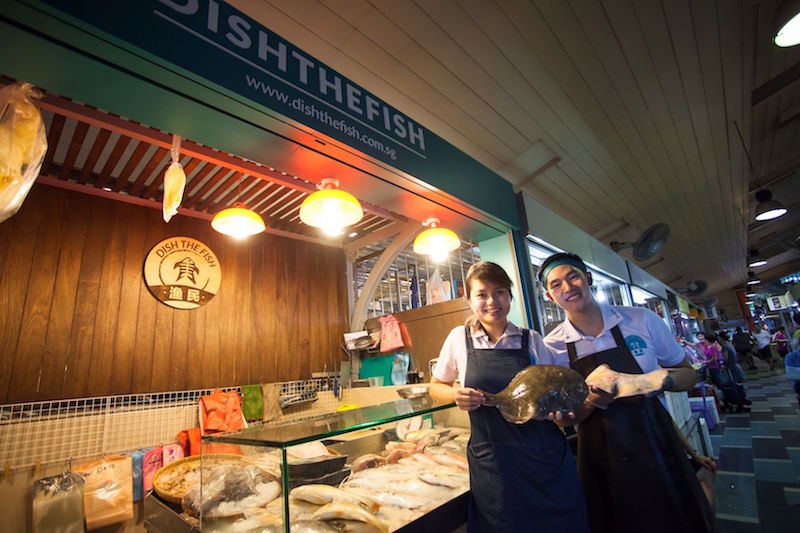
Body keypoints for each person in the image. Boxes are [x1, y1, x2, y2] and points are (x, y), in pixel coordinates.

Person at [538, 252, 713, 533]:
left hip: (659, 447)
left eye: (574, 276)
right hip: (600, 462)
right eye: (556, 284)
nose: (568, 288)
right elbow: (564, 419)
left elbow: (689, 374)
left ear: (589, 278)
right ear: (549, 296)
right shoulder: (552, 348)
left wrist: (657, 380)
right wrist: (593, 400)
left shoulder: (640, 320)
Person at [429, 261, 589, 533]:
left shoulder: (532, 340)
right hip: (494, 464)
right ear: (469, 300)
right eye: (481, 294)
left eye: (500, 292)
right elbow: (436, 386)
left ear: (509, 297)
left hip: (543, 457)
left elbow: (554, 392)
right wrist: (455, 394)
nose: (492, 301)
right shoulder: (459, 338)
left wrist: (560, 411)